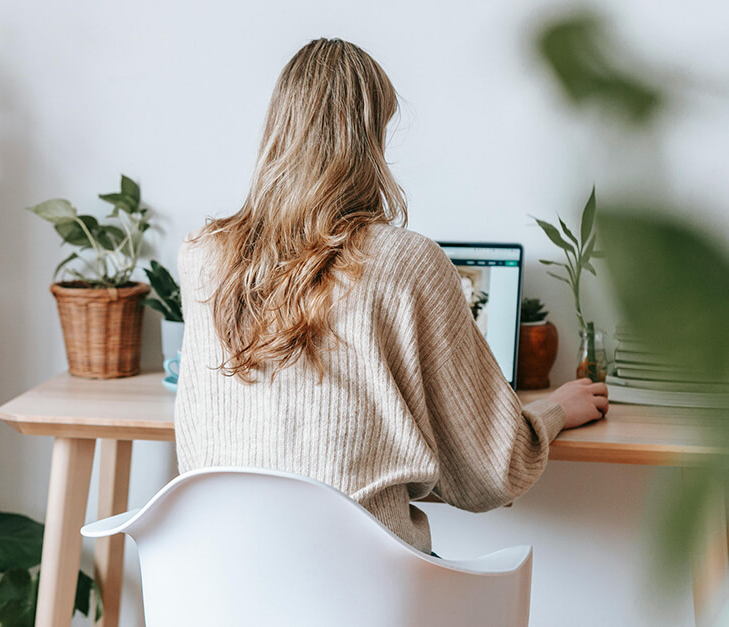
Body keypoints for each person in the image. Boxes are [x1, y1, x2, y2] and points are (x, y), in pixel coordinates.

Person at [174, 38, 608, 554]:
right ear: (369, 140)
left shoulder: (203, 259)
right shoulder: (408, 263)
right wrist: (554, 410)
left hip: (221, 590)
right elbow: (492, 472)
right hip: (365, 594)